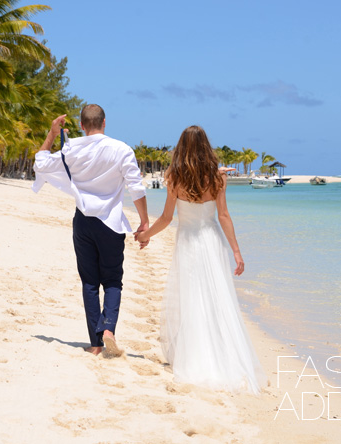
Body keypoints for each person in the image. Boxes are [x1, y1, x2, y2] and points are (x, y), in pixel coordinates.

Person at [135, 125, 265, 392]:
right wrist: (237, 252)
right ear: (207, 147)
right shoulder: (218, 178)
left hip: (188, 242)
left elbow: (167, 218)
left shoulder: (174, 178)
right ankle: (222, 353)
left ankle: (194, 354)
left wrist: (146, 235)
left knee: (192, 297)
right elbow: (224, 216)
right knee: (217, 298)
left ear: (181, 148)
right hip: (212, 241)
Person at [33, 104, 149, 356]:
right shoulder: (122, 149)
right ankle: (109, 328)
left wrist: (52, 133)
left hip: (83, 222)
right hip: (110, 223)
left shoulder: (71, 148)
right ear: (105, 123)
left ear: (82, 126)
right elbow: (136, 188)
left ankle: (96, 344)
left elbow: (40, 163)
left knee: (89, 282)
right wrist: (144, 222)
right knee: (112, 281)